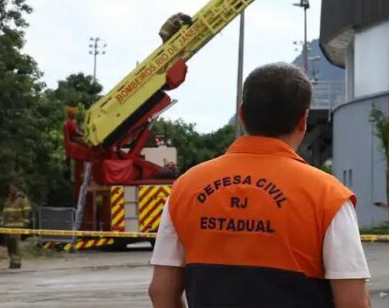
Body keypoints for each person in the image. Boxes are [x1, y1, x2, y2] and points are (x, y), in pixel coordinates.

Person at [148, 62, 370, 308]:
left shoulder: (185, 188)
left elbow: (161, 293)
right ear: (303, 120)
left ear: (242, 114)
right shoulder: (329, 196)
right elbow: (352, 302)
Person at [1, 182, 32, 269]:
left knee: (16, 245)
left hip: (17, 226)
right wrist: (2, 223)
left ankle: (17, 263)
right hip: (7, 227)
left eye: (13, 187)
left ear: (17, 188)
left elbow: (27, 211)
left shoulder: (22, 199)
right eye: (10, 188)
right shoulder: (8, 199)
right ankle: (12, 261)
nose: (11, 189)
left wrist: (25, 223)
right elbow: (5, 212)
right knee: (9, 244)